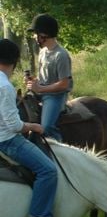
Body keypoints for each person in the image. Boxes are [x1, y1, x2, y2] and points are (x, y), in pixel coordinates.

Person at [0, 38, 61, 217]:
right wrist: (35, 126)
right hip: (7, 141)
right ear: (14, 61)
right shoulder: (5, 86)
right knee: (49, 170)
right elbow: (14, 126)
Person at [25, 13, 73, 142]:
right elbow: (43, 79)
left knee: (46, 127)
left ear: (44, 35)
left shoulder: (61, 55)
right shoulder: (42, 52)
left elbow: (64, 84)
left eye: (36, 34)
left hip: (55, 96)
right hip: (42, 92)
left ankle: (59, 151)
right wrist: (33, 83)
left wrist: (40, 89)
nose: (34, 37)